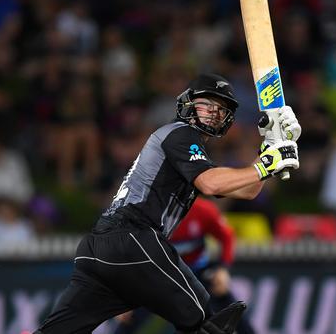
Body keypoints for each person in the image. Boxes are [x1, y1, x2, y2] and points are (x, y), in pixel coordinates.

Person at [34, 73, 301, 334]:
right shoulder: (181, 134)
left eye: (220, 109)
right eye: (206, 104)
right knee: (200, 313)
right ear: (187, 103)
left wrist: (270, 147)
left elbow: (248, 190)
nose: (213, 112)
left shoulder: (187, 146)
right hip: (132, 238)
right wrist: (268, 164)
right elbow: (211, 184)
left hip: (99, 250)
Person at [114, 197, 255, 334]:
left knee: (231, 308)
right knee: (127, 317)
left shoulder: (203, 210)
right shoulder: (146, 214)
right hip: (160, 277)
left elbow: (227, 237)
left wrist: (223, 269)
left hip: (197, 274)